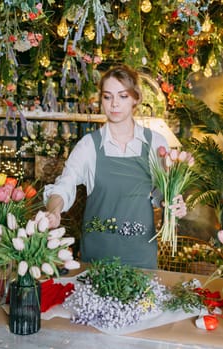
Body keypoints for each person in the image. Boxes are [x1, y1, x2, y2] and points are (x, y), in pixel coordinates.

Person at [43, 65, 187, 269]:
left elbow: (161, 194)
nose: (114, 104)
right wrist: (54, 211)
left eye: (123, 96)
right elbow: (64, 185)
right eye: (107, 97)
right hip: (96, 257)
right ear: (101, 100)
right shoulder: (89, 145)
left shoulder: (155, 142)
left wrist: (174, 204)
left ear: (135, 98)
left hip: (140, 257)